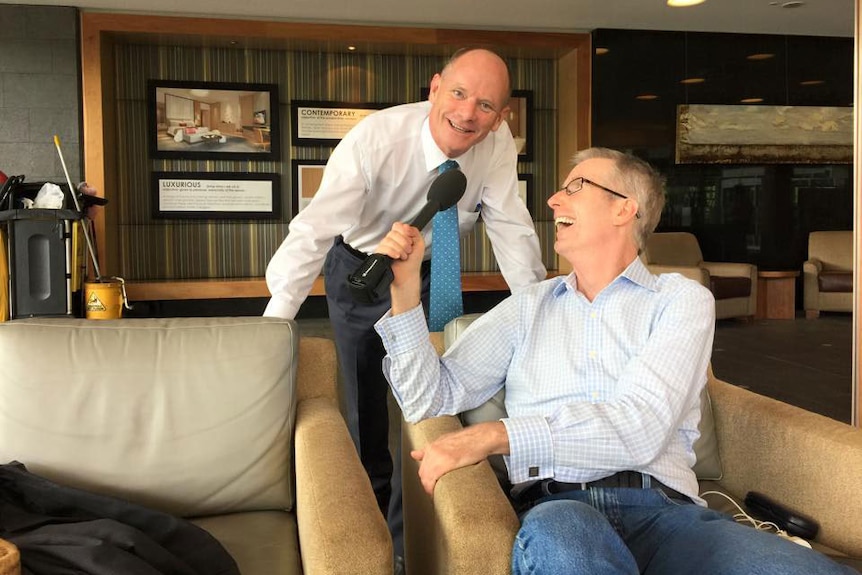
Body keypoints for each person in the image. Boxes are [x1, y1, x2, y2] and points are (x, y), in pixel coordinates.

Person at [372, 147, 857, 574]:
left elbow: (641, 426)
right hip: (560, 507)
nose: (553, 201)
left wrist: (496, 434)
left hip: (668, 516)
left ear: (625, 209)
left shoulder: (680, 301)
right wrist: (405, 293)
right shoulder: (527, 306)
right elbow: (423, 398)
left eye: (574, 188)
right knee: (567, 546)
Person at [263, 47, 546, 564]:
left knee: (439, 392)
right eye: (458, 94)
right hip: (362, 269)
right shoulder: (376, 139)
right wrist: (271, 331)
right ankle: (372, 533)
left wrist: (540, 307)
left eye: (486, 105)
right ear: (435, 88)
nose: (467, 114)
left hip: (433, 270)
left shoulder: (496, 142)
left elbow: (510, 226)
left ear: (502, 115)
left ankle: (425, 525)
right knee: (367, 400)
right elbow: (314, 230)